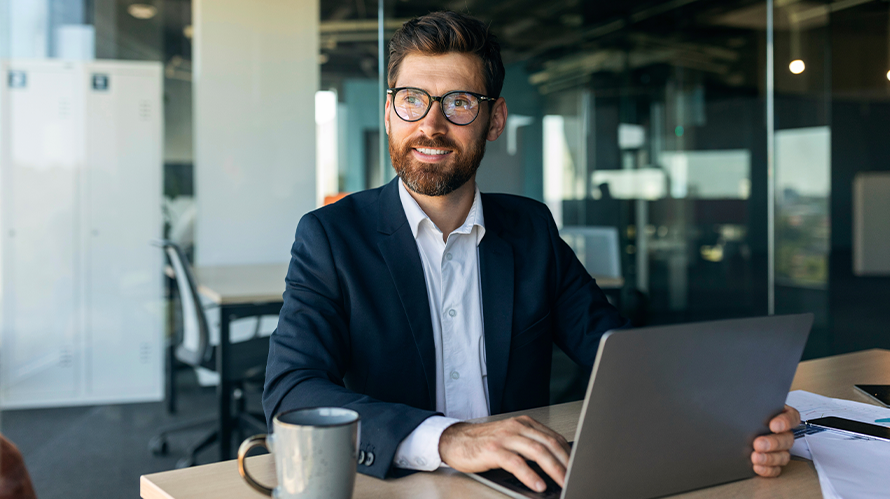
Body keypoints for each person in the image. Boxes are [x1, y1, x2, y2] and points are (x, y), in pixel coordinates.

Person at [263, 11, 799, 492]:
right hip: (399, 486)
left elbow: (617, 352)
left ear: (494, 120)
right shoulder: (331, 237)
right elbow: (291, 394)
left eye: (459, 103)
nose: (431, 124)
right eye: (412, 100)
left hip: (522, 486)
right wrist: (449, 439)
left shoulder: (530, 229)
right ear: (388, 112)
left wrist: (736, 416)